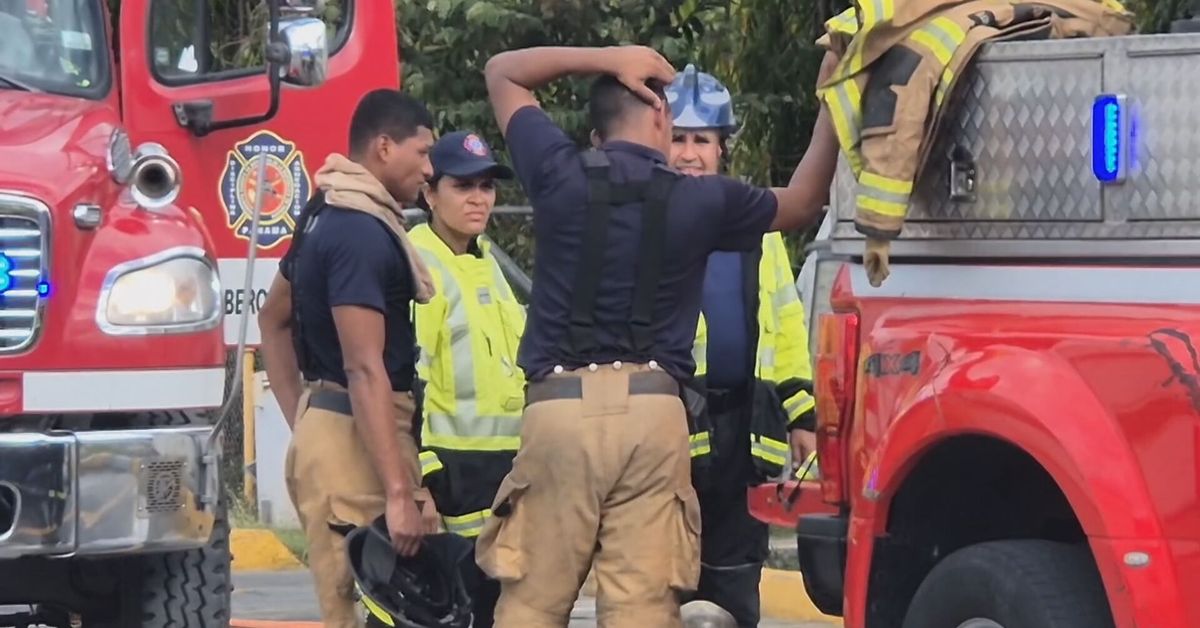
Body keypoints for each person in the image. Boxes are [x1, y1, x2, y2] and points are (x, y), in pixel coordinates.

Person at [473, 44, 839, 628]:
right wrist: (831, 103)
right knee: (641, 609)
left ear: (599, 128)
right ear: (662, 117)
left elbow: (503, 71)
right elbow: (801, 202)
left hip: (559, 411)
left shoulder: (558, 173)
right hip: (655, 414)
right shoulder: (702, 199)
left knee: (532, 603)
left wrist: (607, 56)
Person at [257, 88, 438, 628]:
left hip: (336, 427)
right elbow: (364, 367)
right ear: (384, 147)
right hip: (358, 438)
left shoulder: (325, 212)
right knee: (374, 609)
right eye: (422, 152)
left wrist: (306, 420)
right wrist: (399, 494)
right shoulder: (359, 231)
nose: (429, 169)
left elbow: (273, 318)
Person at [664, 64, 825, 628]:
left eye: (700, 140)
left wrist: (801, 413)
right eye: (677, 139)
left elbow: (785, 323)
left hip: (746, 426)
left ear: (722, 149)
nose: (688, 154)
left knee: (735, 583)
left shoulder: (758, 221)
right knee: (664, 579)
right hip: (671, 425)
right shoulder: (648, 217)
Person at [409, 129, 527, 628]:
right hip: (448, 474)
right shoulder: (418, 263)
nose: (479, 198)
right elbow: (407, 381)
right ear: (429, 194)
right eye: (462, 186)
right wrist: (421, 477)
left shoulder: (486, 260)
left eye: (486, 186)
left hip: (502, 473)